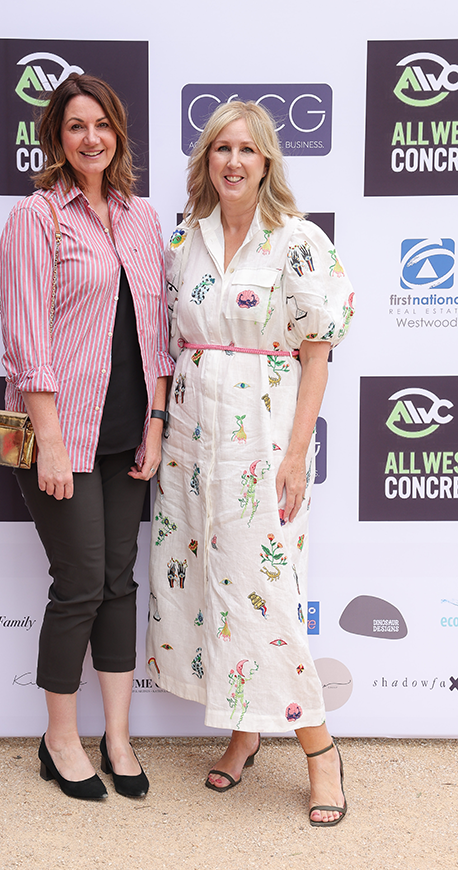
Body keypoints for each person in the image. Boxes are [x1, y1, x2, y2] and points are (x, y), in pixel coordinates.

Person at [146, 100, 354, 826]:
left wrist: (296, 456)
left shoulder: (297, 240)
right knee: (208, 590)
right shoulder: (184, 239)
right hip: (189, 444)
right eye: (220, 149)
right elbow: (168, 344)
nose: (233, 162)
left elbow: (317, 356)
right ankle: (243, 732)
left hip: (262, 444)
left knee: (264, 594)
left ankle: (320, 750)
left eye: (247, 150)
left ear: (267, 161)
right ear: (206, 160)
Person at [0, 73, 173, 801]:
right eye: (76, 126)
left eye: (102, 125)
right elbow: (26, 339)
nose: (91, 138)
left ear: (118, 134)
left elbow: (158, 334)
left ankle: (119, 737)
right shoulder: (35, 217)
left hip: (129, 431)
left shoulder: (143, 218)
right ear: (56, 138)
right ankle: (60, 738)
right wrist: (50, 441)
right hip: (60, 433)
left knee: (118, 582)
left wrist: (156, 424)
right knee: (79, 584)